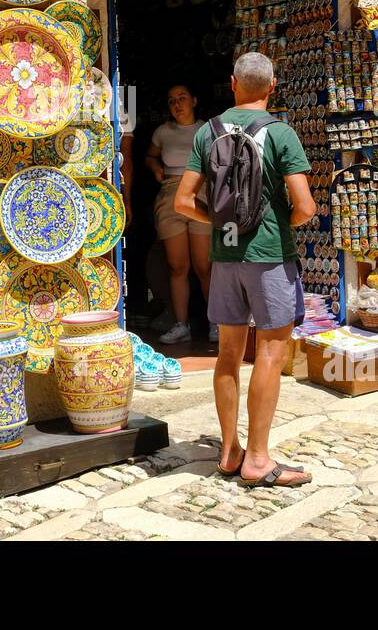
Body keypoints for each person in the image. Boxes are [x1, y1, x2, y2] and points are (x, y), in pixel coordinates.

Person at [173, 52, 317, 488]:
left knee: (228, 354)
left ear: (233, 83)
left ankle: (229, 450)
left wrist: (222, 225)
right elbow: (306, 207)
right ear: (272, 87)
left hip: (224, 257)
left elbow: (183, 202)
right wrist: (277, 230)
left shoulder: (208, 132)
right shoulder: (281, 133)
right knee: (271, 354)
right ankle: (257, 459)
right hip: (269, 258)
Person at [145, 84, 213, 345]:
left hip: (201, 194)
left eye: (182, 98)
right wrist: (155, 167)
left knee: (204, 266)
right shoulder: (163, 131)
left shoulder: (207, 129)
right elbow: (149, 156)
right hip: (171, 195)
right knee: (177, 266)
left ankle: (215, 323)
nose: (177, 104)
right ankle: (180, 324)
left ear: (194, 100)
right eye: (172, 100)